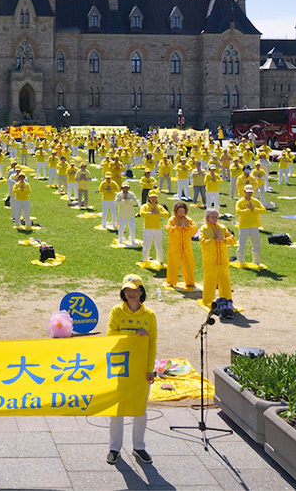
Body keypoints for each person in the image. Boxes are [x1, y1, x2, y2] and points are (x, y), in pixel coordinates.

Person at [105, 274, 156, 466]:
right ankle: (114, 448)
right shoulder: (116, 312)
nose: (131, 293)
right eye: (128, 290)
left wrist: (150, 368)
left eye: (135, 290)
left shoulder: (149, 316)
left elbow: (152, 343)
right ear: (123, 292)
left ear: (142, 292)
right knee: (117, 410)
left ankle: (139, 447)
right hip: (120, 368)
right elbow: (111, 335)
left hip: (141, 369)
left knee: (140, 410)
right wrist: (134, 334)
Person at [199, 210, 233, 309]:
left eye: (216, 217)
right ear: (207, 218)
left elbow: (232, 240)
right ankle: (207, 301)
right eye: (213, 217)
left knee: (225, 281)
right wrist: (215, 240)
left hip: (223, 259)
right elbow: (202, 241)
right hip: (210, 260)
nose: (215, 219)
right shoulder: (204, 228)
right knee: (210, 281)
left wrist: (223, 239)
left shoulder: (222, 228)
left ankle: (227, 301)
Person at [165, 202, 196, 290]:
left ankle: (190, 282)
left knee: (189, 263)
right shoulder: (172, 220)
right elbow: (169, 230)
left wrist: (186, 227)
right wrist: (177, 227)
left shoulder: (188, 220)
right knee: (173, 263)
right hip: (174, 246)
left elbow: (194, 230)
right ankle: (171, 282)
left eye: (183, 211)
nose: (181, 213)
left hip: (186, 246)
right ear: (176, 211)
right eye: (179, 211)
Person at [234, 184, 265, 264]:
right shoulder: (240, 202)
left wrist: (254, 209)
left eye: (251, 192)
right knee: (241, 245)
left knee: (256, 245)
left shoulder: (255, 201)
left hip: (254, 226)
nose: (250, 194)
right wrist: (248, 210)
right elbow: (238, 212)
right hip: (244, 226)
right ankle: (240, 261)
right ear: (244, 192)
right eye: (248, 192)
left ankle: (256, 262)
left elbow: (263, 210)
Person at [139, 191, 166, 264]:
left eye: (155, 197)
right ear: (149, 198)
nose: (153, 199)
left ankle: (160, 260)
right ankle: (145, 259)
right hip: (148, 228)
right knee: (146, 244)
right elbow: (141, 214)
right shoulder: (145, 206)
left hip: (157, 228)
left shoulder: (159, 207)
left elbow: (166, 214)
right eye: (152, 198)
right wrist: (151, 213)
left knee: (159, 245)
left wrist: (158, 213)